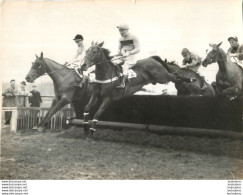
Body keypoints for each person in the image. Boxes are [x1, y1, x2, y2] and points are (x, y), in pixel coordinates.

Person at [116, 24, 140, 88]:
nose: (120, 32)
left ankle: (123, 83)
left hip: (131, 57)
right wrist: (118, 52)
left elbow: (138, 49)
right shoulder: (120, 38)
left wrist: (129, 53)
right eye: (119, 31)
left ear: (126, 30)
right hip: (123, 56)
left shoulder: (133, 37)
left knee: (125, 67)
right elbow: (119, 48)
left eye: (122, 31)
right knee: (114, 63)